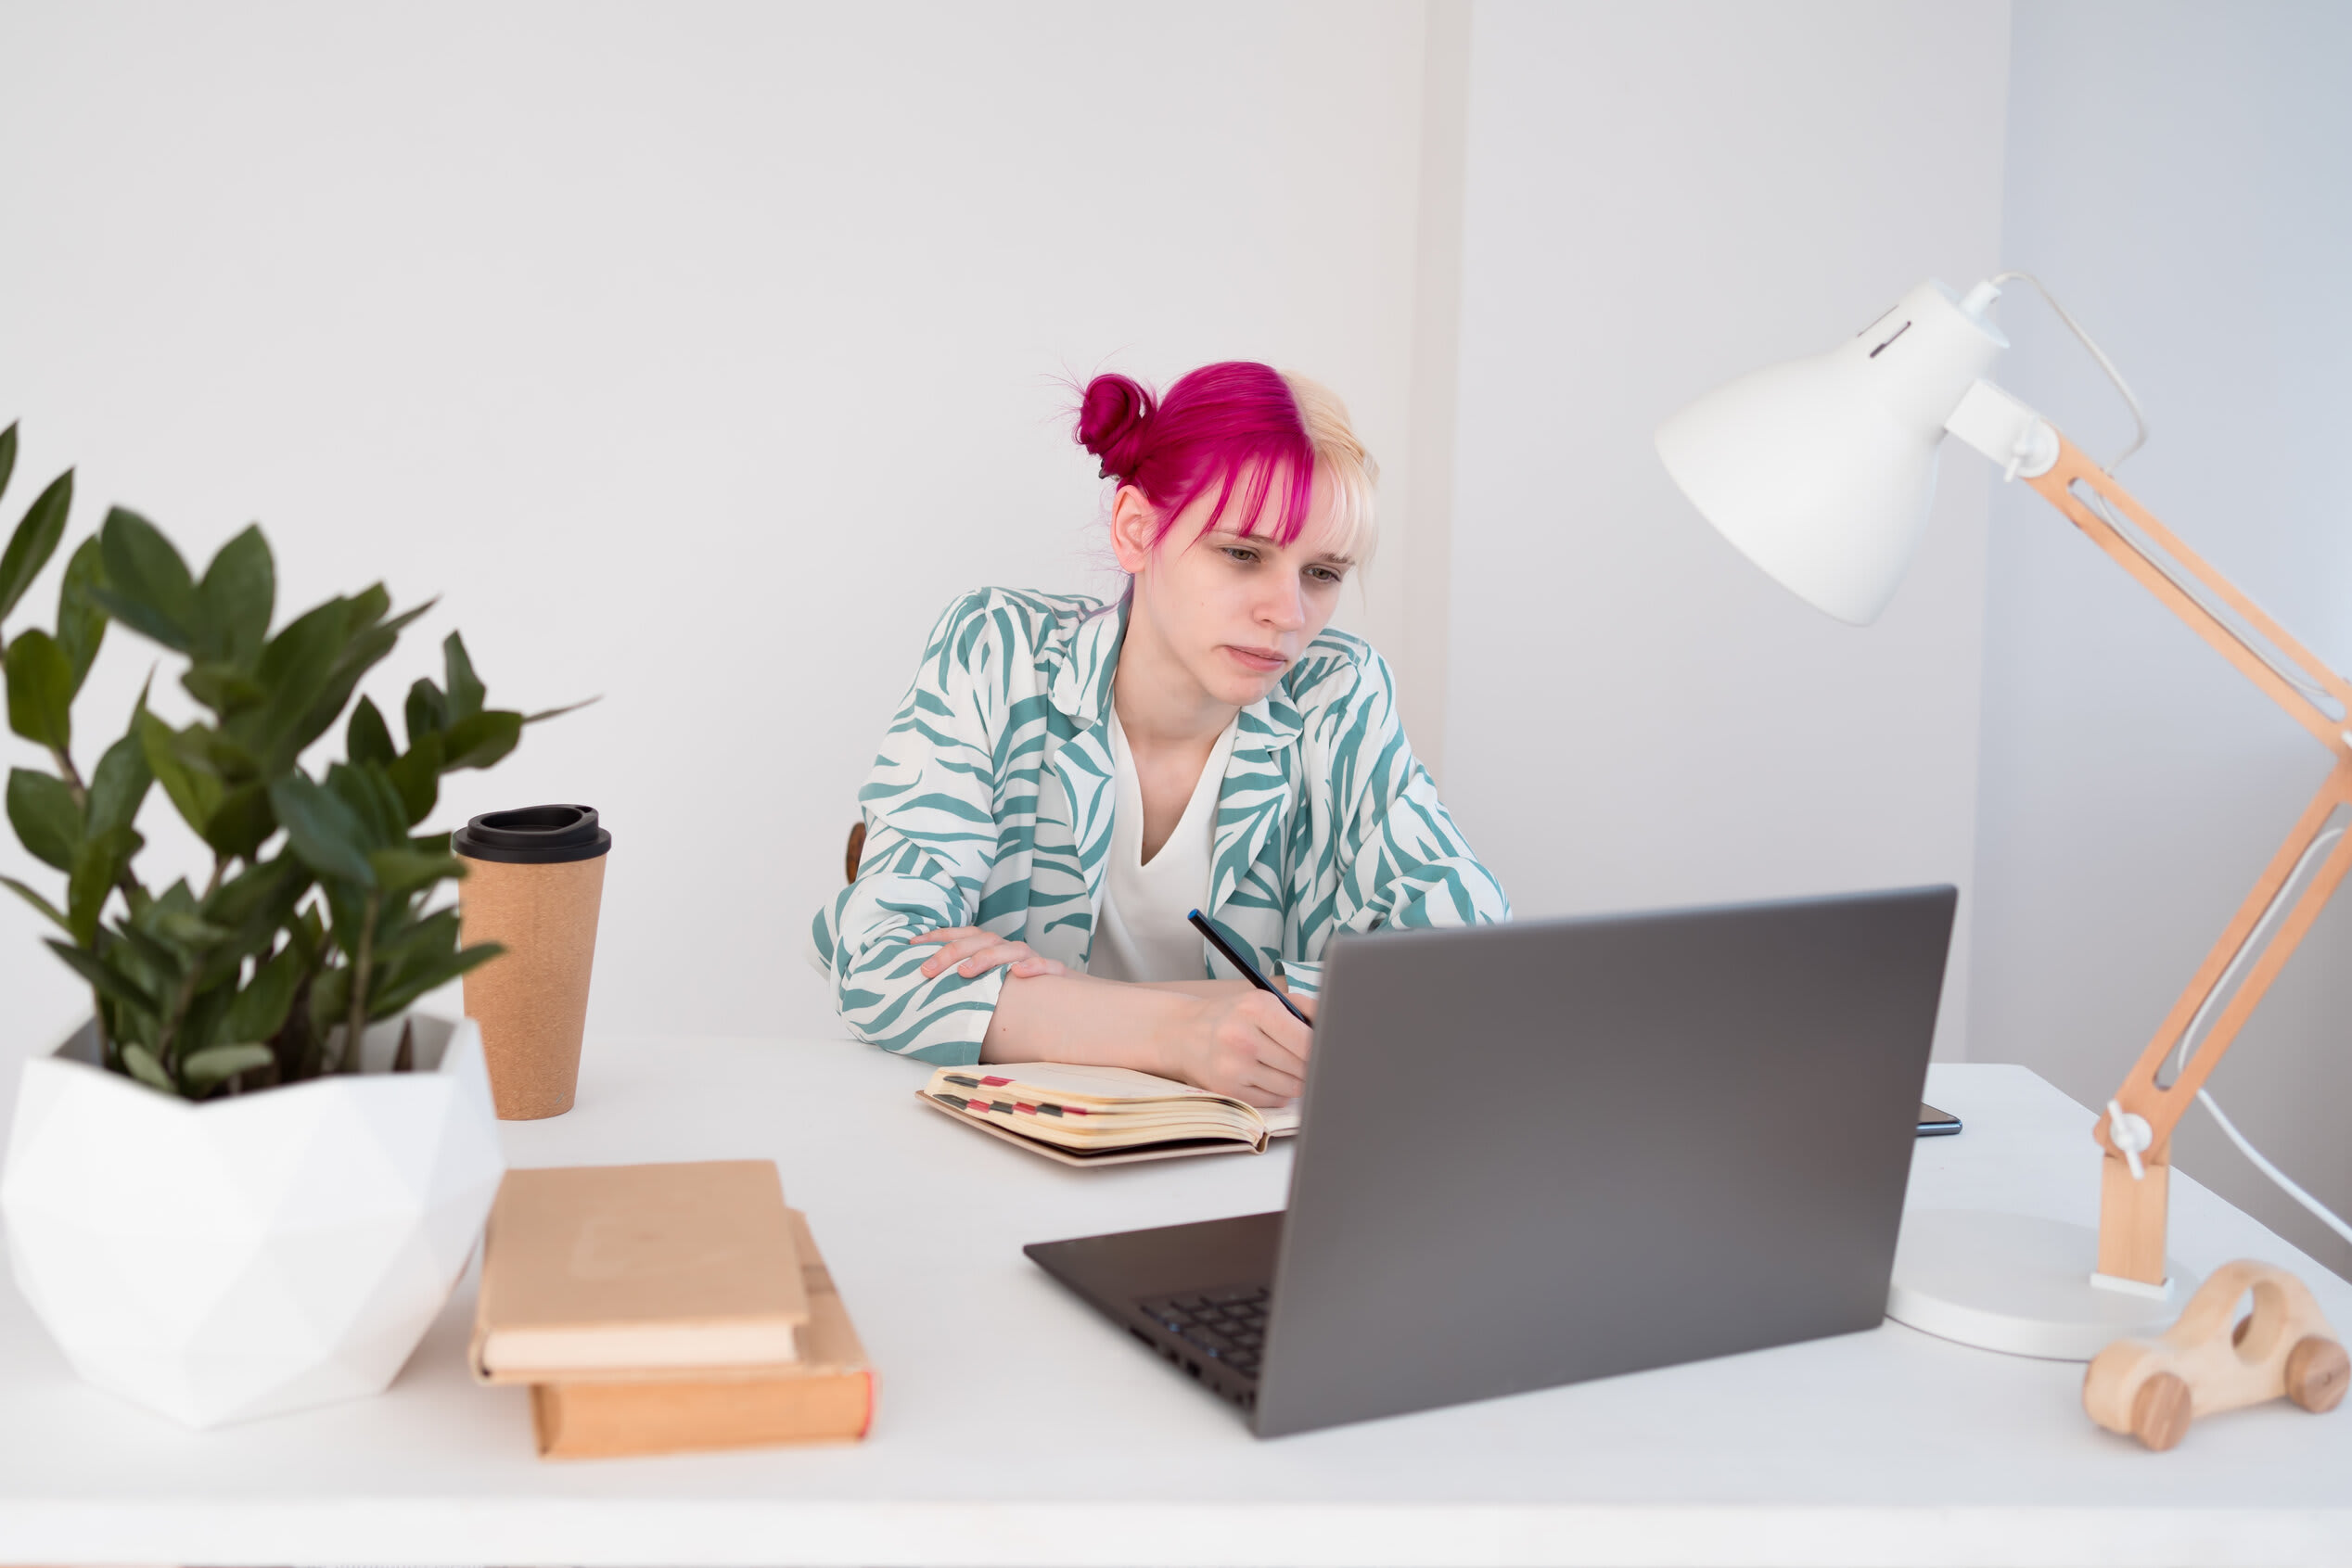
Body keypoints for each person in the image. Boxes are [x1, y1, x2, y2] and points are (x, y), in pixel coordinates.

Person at [810, 362, 1508, 1104]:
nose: (1288, 612)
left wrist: (1058, 1002)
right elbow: (876, 960)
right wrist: (1184, 1033)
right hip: (1007, 1153)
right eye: (1243, 553)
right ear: (1137, 531)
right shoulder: (997, 649)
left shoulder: (1336, 691)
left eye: (1324, 572)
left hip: (1242, 1171)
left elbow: (1464, 970)